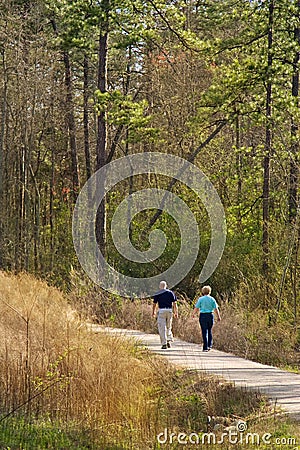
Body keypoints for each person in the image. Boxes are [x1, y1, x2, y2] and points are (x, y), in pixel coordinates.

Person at [192, 285, 221, 352]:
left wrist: (193, 314)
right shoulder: (212, 299)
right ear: (209, 291)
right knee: (209, 330)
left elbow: (197, 307)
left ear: (203, 291)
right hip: (210, 315)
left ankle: (205, 347)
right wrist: (218, 316)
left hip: (203, 316)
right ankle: (209, 345)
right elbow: (216, 308)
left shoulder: (201, 299)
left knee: (204, 331)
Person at [152, 281, 178, 349]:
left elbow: (154, 304)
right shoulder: (171, 293)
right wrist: (176, 312)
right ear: (166, 286)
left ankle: (164, 344)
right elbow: (175, 304)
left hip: (162, 311)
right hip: (169, 310)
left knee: (162, 328)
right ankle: (168, 340)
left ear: (160, 286)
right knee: (169, 326)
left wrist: (153, 312)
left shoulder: (158, 293)